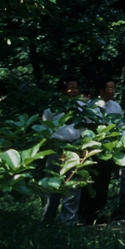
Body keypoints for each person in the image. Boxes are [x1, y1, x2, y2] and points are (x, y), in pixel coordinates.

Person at [78, 78, 124, 225]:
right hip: (92, 149)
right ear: (100, 91)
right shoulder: (90, 107)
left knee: (104, 182)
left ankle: (100, 214)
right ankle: (85, 214)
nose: (113, 91)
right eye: (110, 88)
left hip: (109, 150)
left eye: (114, 88)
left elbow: (120, 126)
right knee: (89, 182)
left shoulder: (116, 107)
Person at [42, 78, 83, 224]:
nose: (75, 90)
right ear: (62, 90)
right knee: (52, 183)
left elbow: (85, 129)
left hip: (75, 147)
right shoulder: (51, 109)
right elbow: (45, 130)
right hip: (56, 148)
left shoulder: (82, 108)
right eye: (71, 87)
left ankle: (69, 222)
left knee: (73, 184)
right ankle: (48, 219)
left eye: (76, 87)